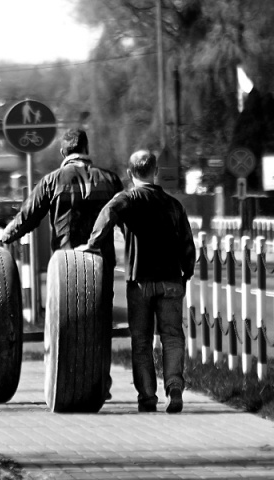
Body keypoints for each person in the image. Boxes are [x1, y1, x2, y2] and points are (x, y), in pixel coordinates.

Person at [2, 128, 124, 399]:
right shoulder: (111, 180)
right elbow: (127, 220)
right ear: (87, 148)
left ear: (63, 152)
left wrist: (5, 236)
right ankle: (100, 383)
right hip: (100, 264)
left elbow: (28, 216)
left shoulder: (52, 180)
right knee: (100, 323)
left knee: (65, 322)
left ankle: (68, 379)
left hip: (66, 268)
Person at [77, 149, 196, 414]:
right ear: (155, 172)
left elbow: (107, 215)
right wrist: (185, 274)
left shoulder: (127, 199)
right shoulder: (173, 204)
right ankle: (174, 387)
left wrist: (93, 243)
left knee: (141, 341)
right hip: (170, 281)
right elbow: (188, 245)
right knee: (173, 337)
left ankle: (147, 398)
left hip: (139, 281)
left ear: (130, 173)